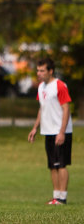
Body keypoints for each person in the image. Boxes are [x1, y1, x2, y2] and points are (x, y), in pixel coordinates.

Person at [28, 57, 73, 205]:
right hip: (47, 131)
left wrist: (62, 132)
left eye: (42, 71)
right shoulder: (41, 87)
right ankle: (56, 197)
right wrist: (35, 128)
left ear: (50, 71)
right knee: (52, 165)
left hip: (60, 131)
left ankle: (62, 197)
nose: (39, 73)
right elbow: (42, 108)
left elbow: (66, 109)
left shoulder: (60, 86)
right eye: (38, 71)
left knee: (61, 164)